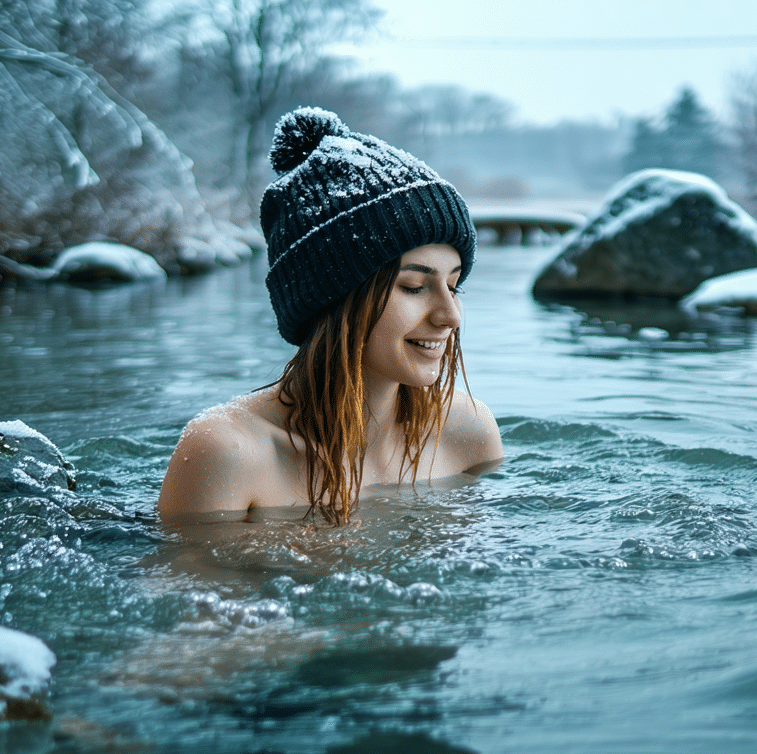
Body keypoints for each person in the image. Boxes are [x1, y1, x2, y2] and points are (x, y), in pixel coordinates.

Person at [158, 108, 503, 527]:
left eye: (454, 286)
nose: (450, 316)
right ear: (333, 298)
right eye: (414, 286)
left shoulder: (468, 434)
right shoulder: (229, 452)